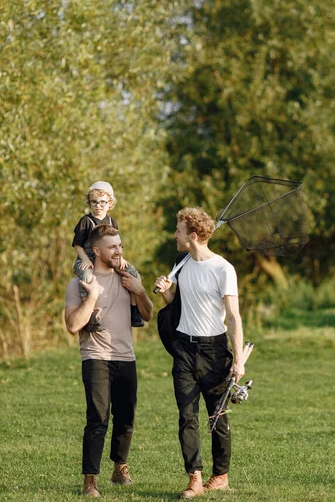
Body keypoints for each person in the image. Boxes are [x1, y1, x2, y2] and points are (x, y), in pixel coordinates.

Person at [154, 207, 245, 499]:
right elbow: (178, 301)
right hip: (184, 348)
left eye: (178, 230)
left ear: (192, 235)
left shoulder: (223, 268)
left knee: (217, 415)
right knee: (186, 415)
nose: (174, 235)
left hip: (214, 350)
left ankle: (220, 476)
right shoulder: (182, 263)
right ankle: (194, 477)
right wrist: (167, 291)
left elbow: (233, 317)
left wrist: (239, 358)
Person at [65, 224, 153, 498]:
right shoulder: (79, 283)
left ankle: (120, 467)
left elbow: (148, 315)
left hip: (126, 356)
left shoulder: (128, 276)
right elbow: (72, 325)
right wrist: (91, 297)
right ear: (96, 250)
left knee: (126, 418)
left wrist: (139, 290)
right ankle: (90, 480)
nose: (119, 251)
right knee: (98, 419)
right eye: (112, 247)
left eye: (120, 246)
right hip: (96, 357)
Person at [72, 180, 144, 327]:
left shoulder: (112, 222)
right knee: (87, 277)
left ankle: (133, 310)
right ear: (89, 203)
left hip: (110, 257)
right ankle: (89, 315)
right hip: (87, 257)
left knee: (132, 273)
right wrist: (85, 260)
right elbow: (77, 245)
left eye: (103, 202)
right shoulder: (86, 221)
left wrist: (121, 258)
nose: (98, 206)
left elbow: (117, 243)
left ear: (110, 203)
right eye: (94, 202)